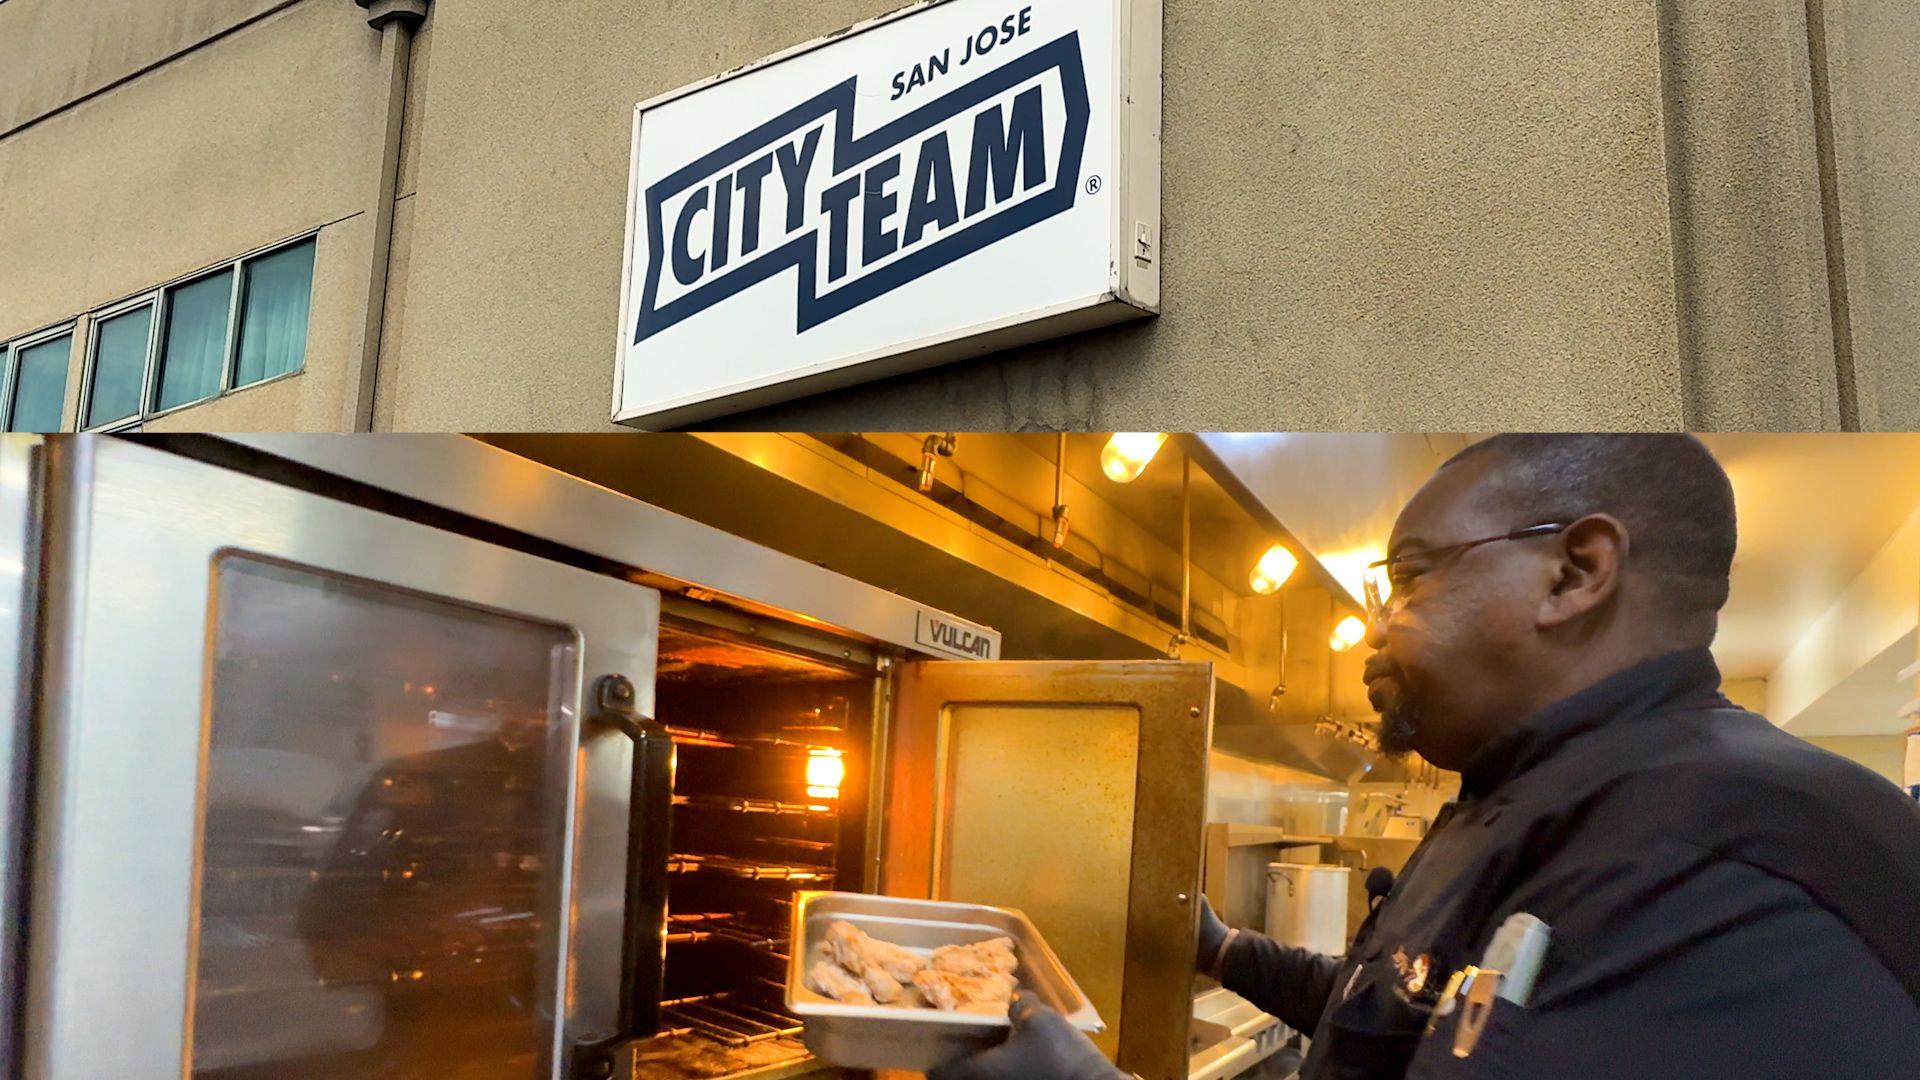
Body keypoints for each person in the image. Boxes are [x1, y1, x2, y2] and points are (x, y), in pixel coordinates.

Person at [928, 433, 1920, 1080]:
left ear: (1575, 573)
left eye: (1409, 580)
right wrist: (1222, 949)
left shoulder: (1727, 863)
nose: (1377, 629)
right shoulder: (1524, 796)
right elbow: (1408, 1014)